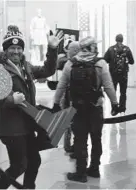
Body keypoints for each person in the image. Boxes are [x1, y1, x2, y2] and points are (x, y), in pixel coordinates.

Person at [0, 25, 63, 189]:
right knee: (18, 166)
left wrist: (52, 49)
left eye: (19, 48)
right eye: (12, 48)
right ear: (5, 50)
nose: (16, 51)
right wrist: (12, 100)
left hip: (27, 125)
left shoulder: (25, 67)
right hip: (11, 127)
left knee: (34, 161)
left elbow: (48, 70)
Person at [52, 36, 119, 182]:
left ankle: (81, 172)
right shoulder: (100, 63)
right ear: (93, 47)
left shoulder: (70, 64)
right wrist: (115, 103)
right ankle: (94, 169)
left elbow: (61, 86)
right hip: (96, 108)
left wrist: (56, 103)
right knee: (96, 139)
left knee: (80, 140)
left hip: (78, 109)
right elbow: (108, 86)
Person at [104, 34, 134, 114]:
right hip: (124, 74)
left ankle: (114, 109)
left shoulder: (110, 49)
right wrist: (126, 59)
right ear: (122, 40)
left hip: (113, 74)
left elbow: (105, 60)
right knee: (123, 92)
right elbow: (132, 62)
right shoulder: (127, 49)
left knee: (113, 92)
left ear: (115, 39)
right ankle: (122, 109)